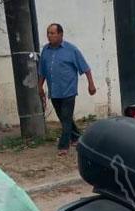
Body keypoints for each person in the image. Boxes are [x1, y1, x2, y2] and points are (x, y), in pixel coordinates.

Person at [38, 23, 96, 157]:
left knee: (65, 118)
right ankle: (76, 137)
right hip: (54, 91)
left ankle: (63, 145)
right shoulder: (45, 50)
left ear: (60, 34)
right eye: (48, 33)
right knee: (65, 118)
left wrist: (91, 85)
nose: (49, 36)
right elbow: (42, 71)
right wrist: (40, 86)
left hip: (68, 90)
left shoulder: (71, 50)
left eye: (52, 33)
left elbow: (85, 68)